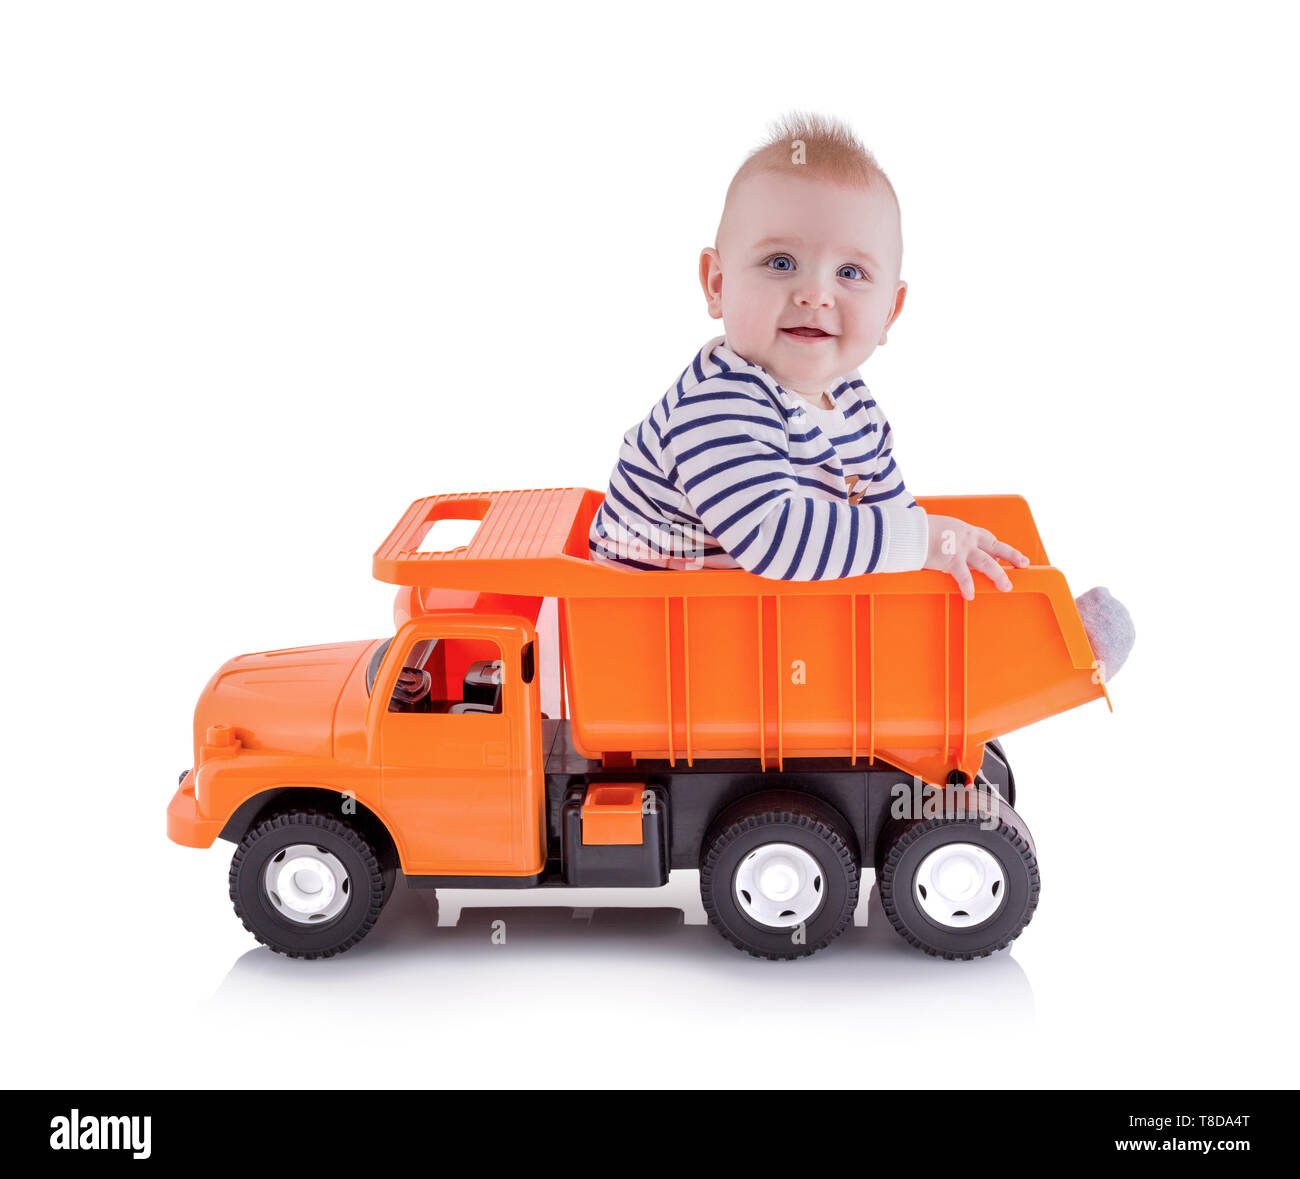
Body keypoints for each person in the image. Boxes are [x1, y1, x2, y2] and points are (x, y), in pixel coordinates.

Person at [588, 111, 1133, 680]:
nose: (815, 294)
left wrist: (937, 548)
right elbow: (777, 541)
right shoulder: (719, 404)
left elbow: (893, 526)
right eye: (781, 263)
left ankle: (1028, 634)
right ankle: (1037, 658)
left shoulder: (852, 405)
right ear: (718, 284)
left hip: (752, 630)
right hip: (658, 652)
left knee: (913, 579)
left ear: (890, 311)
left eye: (850, 272)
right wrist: (927, 540)